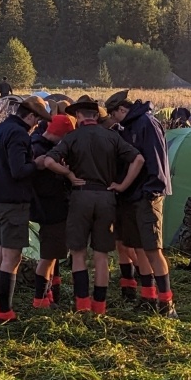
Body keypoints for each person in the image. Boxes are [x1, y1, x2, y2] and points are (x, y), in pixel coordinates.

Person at [37, 95, 144, 315]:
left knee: (78, 253)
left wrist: (68, 173)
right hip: (106, 197)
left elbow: (48, 161)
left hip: (80, 196)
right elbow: (139, 159)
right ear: (97, 116)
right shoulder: (112, 137)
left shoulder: (72, 137)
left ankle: (82, 305)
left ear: (78, 116)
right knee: (101, 256)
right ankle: (100, 306)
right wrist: (122, 185)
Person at [107, 91, 177, 318]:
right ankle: (147, 297)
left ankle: (167, 304)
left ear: (121, 110)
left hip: (147, 195)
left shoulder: (147, 123)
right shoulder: (127, 127)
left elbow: (156, 158)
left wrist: (151, 190)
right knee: (137, 247)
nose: (112, 118)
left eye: (112, 113)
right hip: (130, 196)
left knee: (153, 250)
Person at [0, 94, 50, 325]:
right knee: (12, 258)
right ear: (30, 116)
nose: (37, 126)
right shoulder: (20, 134)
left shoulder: (0, 128)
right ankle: (5, 312)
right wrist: (37, 165)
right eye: (38, 121)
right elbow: (19, 170)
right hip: (11, 203)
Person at [29, 113, 75, 308]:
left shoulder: (37, 144)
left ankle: (48, 294)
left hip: (45, 208)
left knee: (52, 254)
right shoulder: (44, 152)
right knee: (48, 256)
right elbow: (47, 184)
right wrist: (66, 175)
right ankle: (40, 300)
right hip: (51, 209)